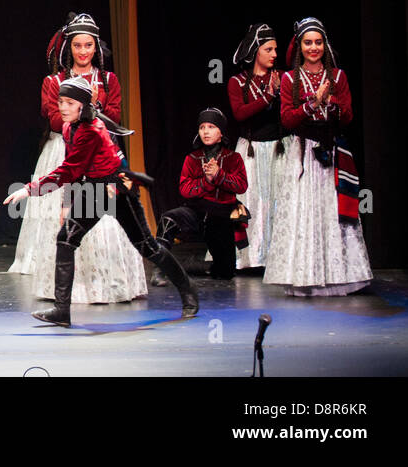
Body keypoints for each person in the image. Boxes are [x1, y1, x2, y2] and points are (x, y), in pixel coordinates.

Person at [3, 75, 197, 326]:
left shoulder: (91, 131)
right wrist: (67, 202)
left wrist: (29, 190)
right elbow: (75, 171)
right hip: (93, 189)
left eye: (69, 103)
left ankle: (188, 290)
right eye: (61, 101)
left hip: (116, 191)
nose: (62, 107)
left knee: (146, 247)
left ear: (82, 105)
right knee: (66, 239)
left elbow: (68, 171)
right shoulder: (68, 126)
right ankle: (62, 310)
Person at [9, 13, 146, 305]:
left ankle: (106, 282)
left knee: (104, 220)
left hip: (98, 153)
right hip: (63, 150)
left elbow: (116, 118)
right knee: (60, 222)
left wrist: (93, 106)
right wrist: (92, 107)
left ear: (96, 47)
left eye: (88, 46)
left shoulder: (109, 80)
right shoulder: (53, 80)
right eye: (77, 46)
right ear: (68, 47)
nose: (83, 52)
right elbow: (56, 120)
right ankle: (62, 292)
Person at [263, 18, 372, 296]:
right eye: (308, 42)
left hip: (331, 152)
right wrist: (313, 103)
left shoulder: (337, 77)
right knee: (305, 211)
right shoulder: (290, 78)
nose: (314, 47)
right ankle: (304, 278)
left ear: (325, 45)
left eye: (318, 42)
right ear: (300, 46)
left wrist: (330, 101)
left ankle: (339, 276)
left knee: (333, 215)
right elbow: (287, 120)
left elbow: (348, 116)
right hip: (304, 154)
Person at [153, 108, 249, 284]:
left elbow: (241, 186)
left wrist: (219, 175)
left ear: (221, 132)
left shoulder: (233, 158)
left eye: (211, 126)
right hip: (197, 210)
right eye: (202, 127)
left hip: (222, 213)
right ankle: (160, 269)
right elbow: (185, 189)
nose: (205, 131)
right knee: (169, 218)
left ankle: (196, 267)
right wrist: (207, 181)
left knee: (224, 271)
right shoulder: (192, 158)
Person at [227, 23, 286, 268]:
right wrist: (268, 97)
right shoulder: (237, 82)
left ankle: (278, 257)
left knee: (277, 201)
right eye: (269, 49)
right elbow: (240, 114)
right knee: (250, 203)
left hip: (279, 149)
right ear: (255, 51)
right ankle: (249, 258)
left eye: (275, 49)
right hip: (250, 150)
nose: (274, 54)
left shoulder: (284, 78)